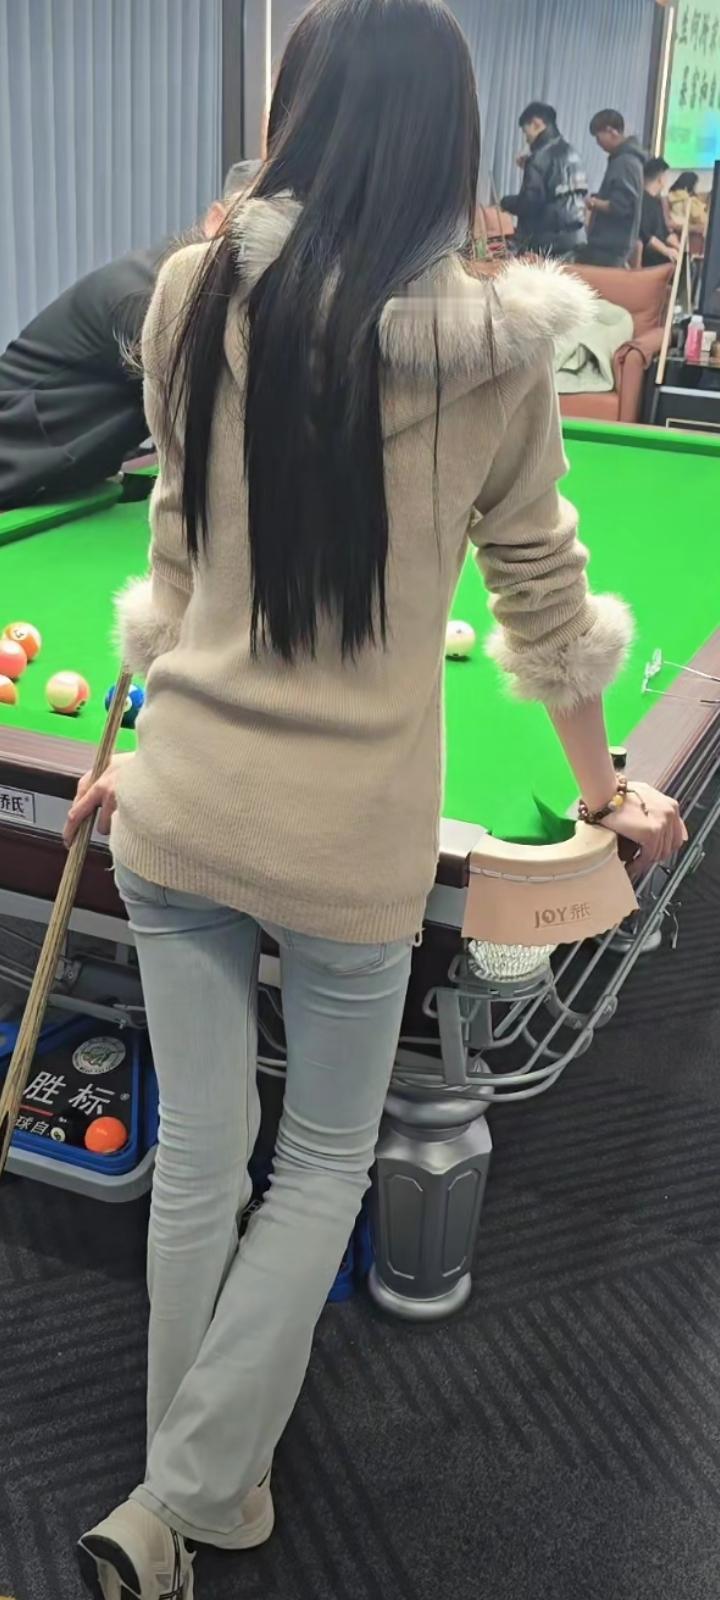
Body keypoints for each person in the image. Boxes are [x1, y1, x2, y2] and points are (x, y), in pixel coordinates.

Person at [65, 3, 686, 1596]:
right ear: (447, 147)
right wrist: (608, 792)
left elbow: (177, 557)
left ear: (297, 119)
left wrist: (134, 742)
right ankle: (187, 1497)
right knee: (320, 1164)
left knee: (202, 1161)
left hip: (178, 808)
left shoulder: (196, 292)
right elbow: (546, 607)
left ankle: (193, 1509)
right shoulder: (497, 349)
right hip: (344, 844)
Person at [0, 161, 260, 511]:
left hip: (61, 481)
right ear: (217, 220)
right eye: (253, 229)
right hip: (14, 458)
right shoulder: (149, 295)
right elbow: (217, 411)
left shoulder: (212, 299)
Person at [500, 100, 587, 257]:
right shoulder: (571, 152)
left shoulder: (539, 158)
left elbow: (530, 202)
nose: (526, 139)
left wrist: (506, 202)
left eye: (526, 132)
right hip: (575, 236)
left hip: (550, 241)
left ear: (536, 124)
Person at [576, 109, 645, 267]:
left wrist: (592, 202)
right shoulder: (625, 159)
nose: (598, 143)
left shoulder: (625, 162)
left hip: (610, 246)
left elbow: (621, 206)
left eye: (598, 137)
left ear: (611, 131)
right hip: (612, 244)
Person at [640, 157, 680, 268]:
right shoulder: (641, 201)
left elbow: (665, 233)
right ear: (661, 178)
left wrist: (680, 248)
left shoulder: (656, 202)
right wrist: (667, 251)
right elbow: (646, 236)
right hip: (649, 255)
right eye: (666, 176)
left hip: (660, 251)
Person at [668, 170, 708, 234]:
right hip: (692, 235)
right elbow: (702, 219)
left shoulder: (669, 198)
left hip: (676, 233)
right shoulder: (688, 201)